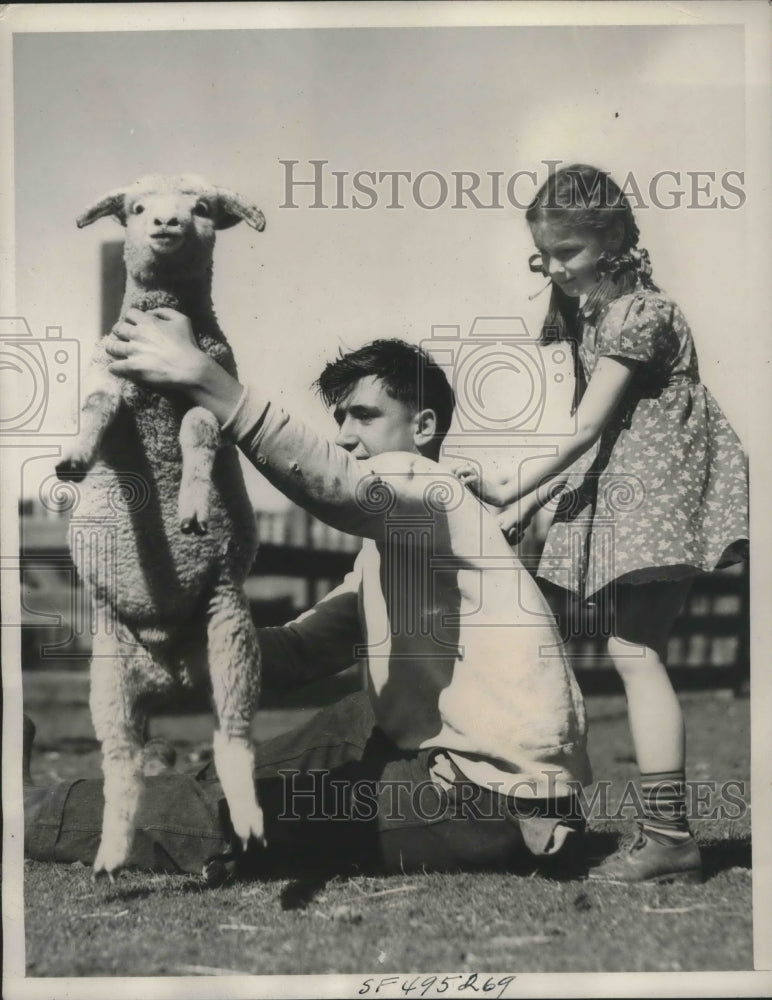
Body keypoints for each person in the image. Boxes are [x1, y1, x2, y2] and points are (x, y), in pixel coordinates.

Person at [24, 332, 591, 884]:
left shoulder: (431, 488)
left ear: (423, 428)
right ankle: (154, 790)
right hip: (415, 741)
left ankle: (27, 809)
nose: (344, 436)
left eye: (365, 416)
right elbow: (302, 649)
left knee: (221, 818)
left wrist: (209, 383)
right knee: (278, 754)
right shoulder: (395, 543)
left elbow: (342, 489)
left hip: (484, 798)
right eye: (339, 418)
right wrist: (194, 636)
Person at [454, 163, 749, 884]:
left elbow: (588, 429)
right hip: (630, 488)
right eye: (544, 256)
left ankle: (669, 837)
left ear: (613, 238)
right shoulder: (603, 315)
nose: (554, 269)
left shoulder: (639, 315)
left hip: (652, 490)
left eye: (568, 253)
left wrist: (506, 482)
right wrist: (524, 506)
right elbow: (595, 438)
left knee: (635, 651)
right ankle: (565, 803)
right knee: (604, 643)